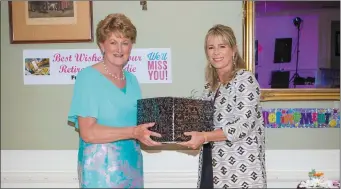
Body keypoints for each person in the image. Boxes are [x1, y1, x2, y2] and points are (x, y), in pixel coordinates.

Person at [67, 13, 162, 188]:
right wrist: (134, 132)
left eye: (125, 43)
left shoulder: (132, 80)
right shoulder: (88, 77)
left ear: (131, 47)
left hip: (132, 167)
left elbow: (139, 127)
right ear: (102, 45)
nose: (119, 49)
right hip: (100, 172)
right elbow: (88, 133)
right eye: (113, 42)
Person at [179, 24, 267, 188]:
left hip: (241, 174)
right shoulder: (210, 87)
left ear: (234, 50)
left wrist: (204, 136)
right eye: (211, 47)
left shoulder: (245, 79)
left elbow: (243, 126)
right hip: (211, 164)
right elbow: (201, 125)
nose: (216, 52)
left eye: (222, 46)